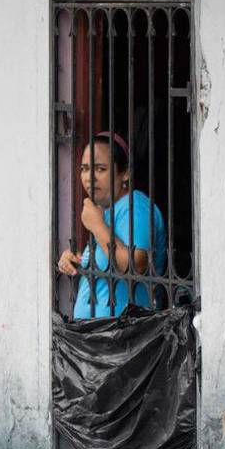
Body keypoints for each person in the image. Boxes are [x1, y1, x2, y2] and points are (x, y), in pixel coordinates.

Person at [57, 133, 167, 319]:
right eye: (84, 168)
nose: (89, 177)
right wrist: (77, 261)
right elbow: (105, 268)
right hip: (96, 339)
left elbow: (136, 266)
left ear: (125, 173)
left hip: (122, 339)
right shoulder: (108, 212)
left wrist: (97, 225)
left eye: (100, 169)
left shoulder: (135, 206)